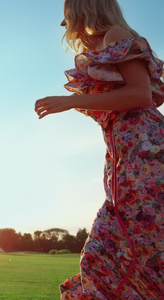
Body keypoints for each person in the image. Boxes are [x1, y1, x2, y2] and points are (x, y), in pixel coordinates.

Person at [34, 0, 164, 298]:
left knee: (112, 250)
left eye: (66, 13)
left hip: (145, 154)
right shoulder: (106, 43)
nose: (63, 23)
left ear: (84, 8)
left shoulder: (116, 35)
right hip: (124, 157)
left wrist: (71, 101)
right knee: (113, 251)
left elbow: (140, 93)